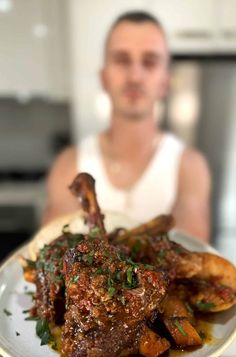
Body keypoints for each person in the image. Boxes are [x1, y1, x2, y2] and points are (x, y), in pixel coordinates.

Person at [42, 11, 211, 241]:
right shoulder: (68, 166)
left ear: (165, 81)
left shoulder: (189, 167)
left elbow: (191, 256)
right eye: (122, 60)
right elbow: (48, 252)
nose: (135, 75)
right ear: (104, 77)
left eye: (149, 62)